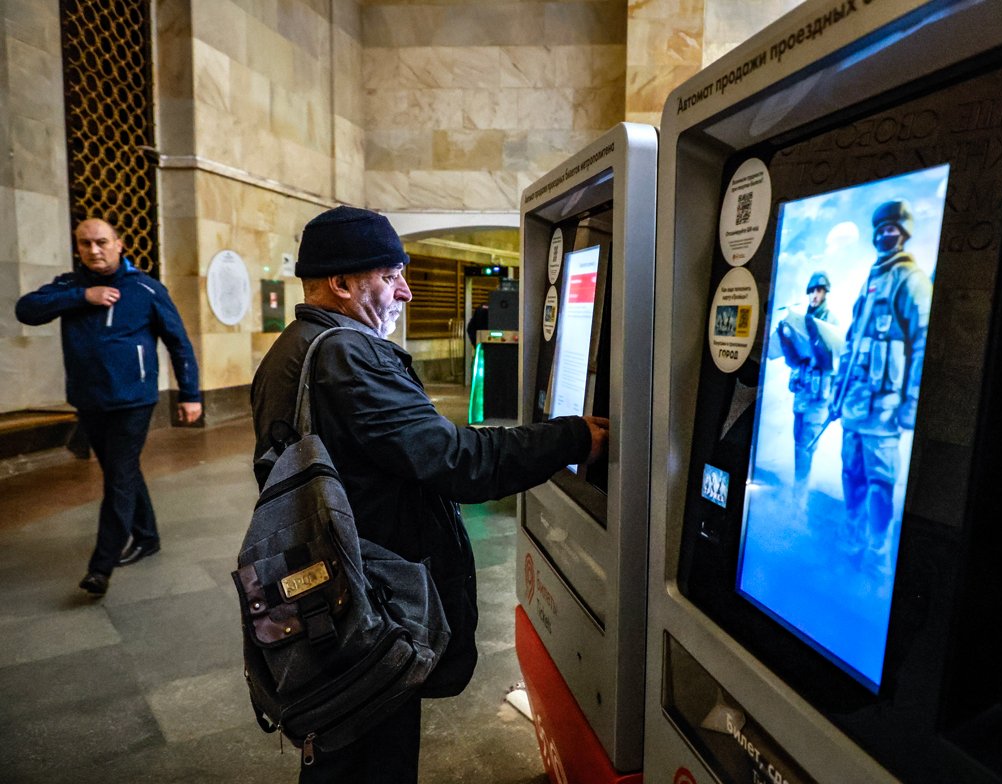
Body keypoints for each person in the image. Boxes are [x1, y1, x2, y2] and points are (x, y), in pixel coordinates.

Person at [250, 205, 608, 783]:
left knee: (342, 745)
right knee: (374, 754)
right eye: (391, 276)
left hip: (326, 594)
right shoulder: (348, 354)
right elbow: (457, 462)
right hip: (372, 604)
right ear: (342, 284)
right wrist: (570, 437)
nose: (407, 293)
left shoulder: (291, 349)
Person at [15, 218, 203, 596]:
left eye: (101, 242)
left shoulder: (146, 288)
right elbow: (27, 310)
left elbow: (178, 342)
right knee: (123, 469)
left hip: (134, 399)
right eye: (85, 243)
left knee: (118, 477)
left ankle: (101, 567)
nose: (94, 250)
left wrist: (190, 394)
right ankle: (147, 537)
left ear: (119, 243)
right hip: (89, 399)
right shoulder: (71, 286)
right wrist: (84, 297)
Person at [834, 200, 931, 569]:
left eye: (891, 229)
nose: (884, 234)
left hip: (885, 409)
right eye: (880, 229)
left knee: (880, 485)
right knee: (851, 476)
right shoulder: (871, 280)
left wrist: (912, 403)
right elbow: (851, 344)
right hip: (854, 406)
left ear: (903, 233)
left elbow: (922, 341)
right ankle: (854, 540)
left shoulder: (911, 280)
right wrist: (835, 398)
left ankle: (877, 555)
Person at [773, 272, 837, 496]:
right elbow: (794, 361)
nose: (814, 295)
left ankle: (798, 500)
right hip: (801, 395)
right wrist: (785, 339)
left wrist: (814, 334)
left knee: (806, 448)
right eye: (811, 291)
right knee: (798, 444)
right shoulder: (800, 320)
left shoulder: (830, 322)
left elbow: (827, 361)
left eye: (818, 290)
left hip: (818, 400)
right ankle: (797, 495)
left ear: (825, 292)